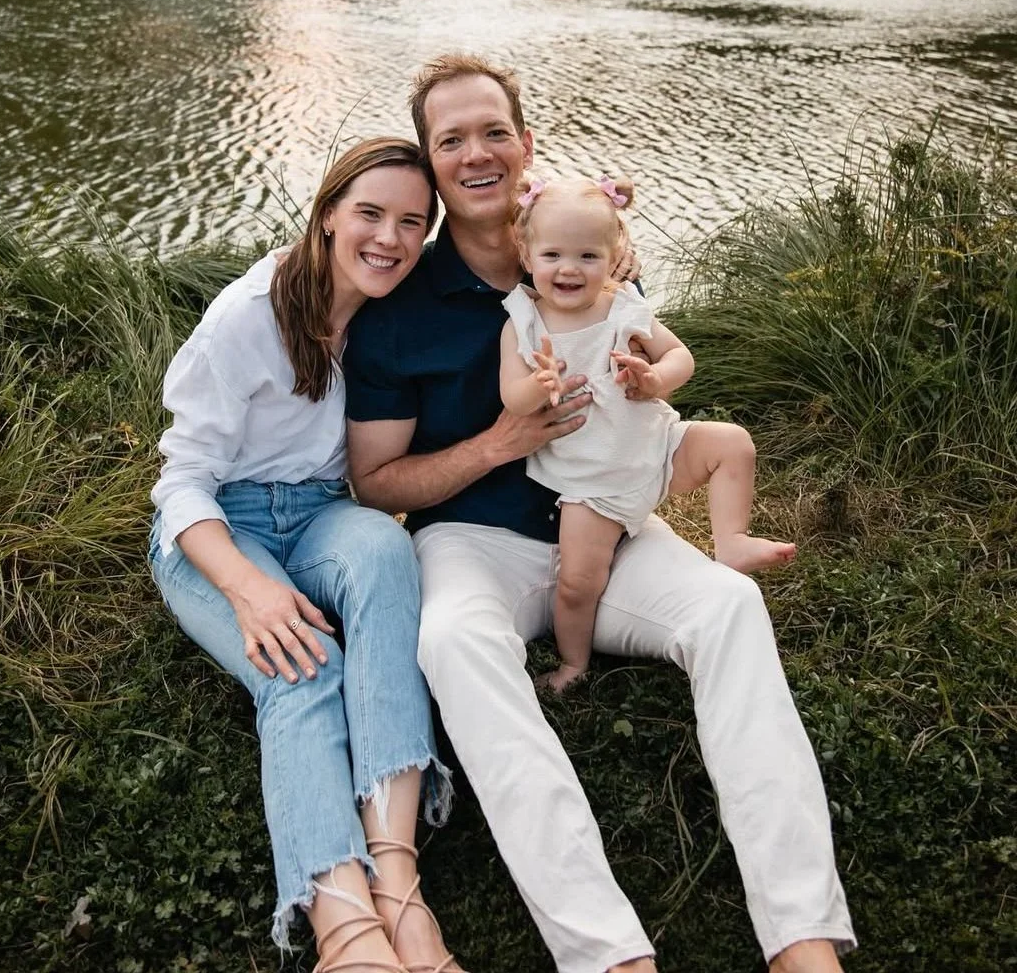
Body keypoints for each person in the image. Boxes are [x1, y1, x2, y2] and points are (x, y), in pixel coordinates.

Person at [344, 55, 856, 973]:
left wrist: (646, 404)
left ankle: (802, 940)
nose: (476, 153)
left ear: (524, 143)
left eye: (493, 131)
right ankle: (610, 955)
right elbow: (376, 482)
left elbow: (653, 380)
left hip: (614, 531)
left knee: (730, 609)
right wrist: (499, 441)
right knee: (454, 640)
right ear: (429, 162)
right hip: (474, 540)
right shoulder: (399, 308)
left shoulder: (592, 251)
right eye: (450, 139)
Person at [149, 136, 464, 973]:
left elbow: (527, 252)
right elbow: (181, 483)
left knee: (386, 560)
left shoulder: (388, 307)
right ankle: (343, 926)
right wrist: (249, 589)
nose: (389, 240)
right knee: (304, 665)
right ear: (328, 214)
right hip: (218, 527)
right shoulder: (248, 315)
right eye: (369, 214)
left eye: (411, 222)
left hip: (324, 515)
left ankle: (398, 881)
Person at [500, 172, 795, 692]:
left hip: (659, 449)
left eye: (588, 256)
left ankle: (731, 542)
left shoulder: (623, 306)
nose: (569, 269)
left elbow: (681, 355)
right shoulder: (523, 323)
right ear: (527, 255)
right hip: (593, 484)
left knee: (733, 442)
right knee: (576, 584)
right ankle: (574, 663)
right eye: (553, 256)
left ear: (612, 255)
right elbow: (511, 396)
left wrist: (655, 379)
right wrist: (540, 383)